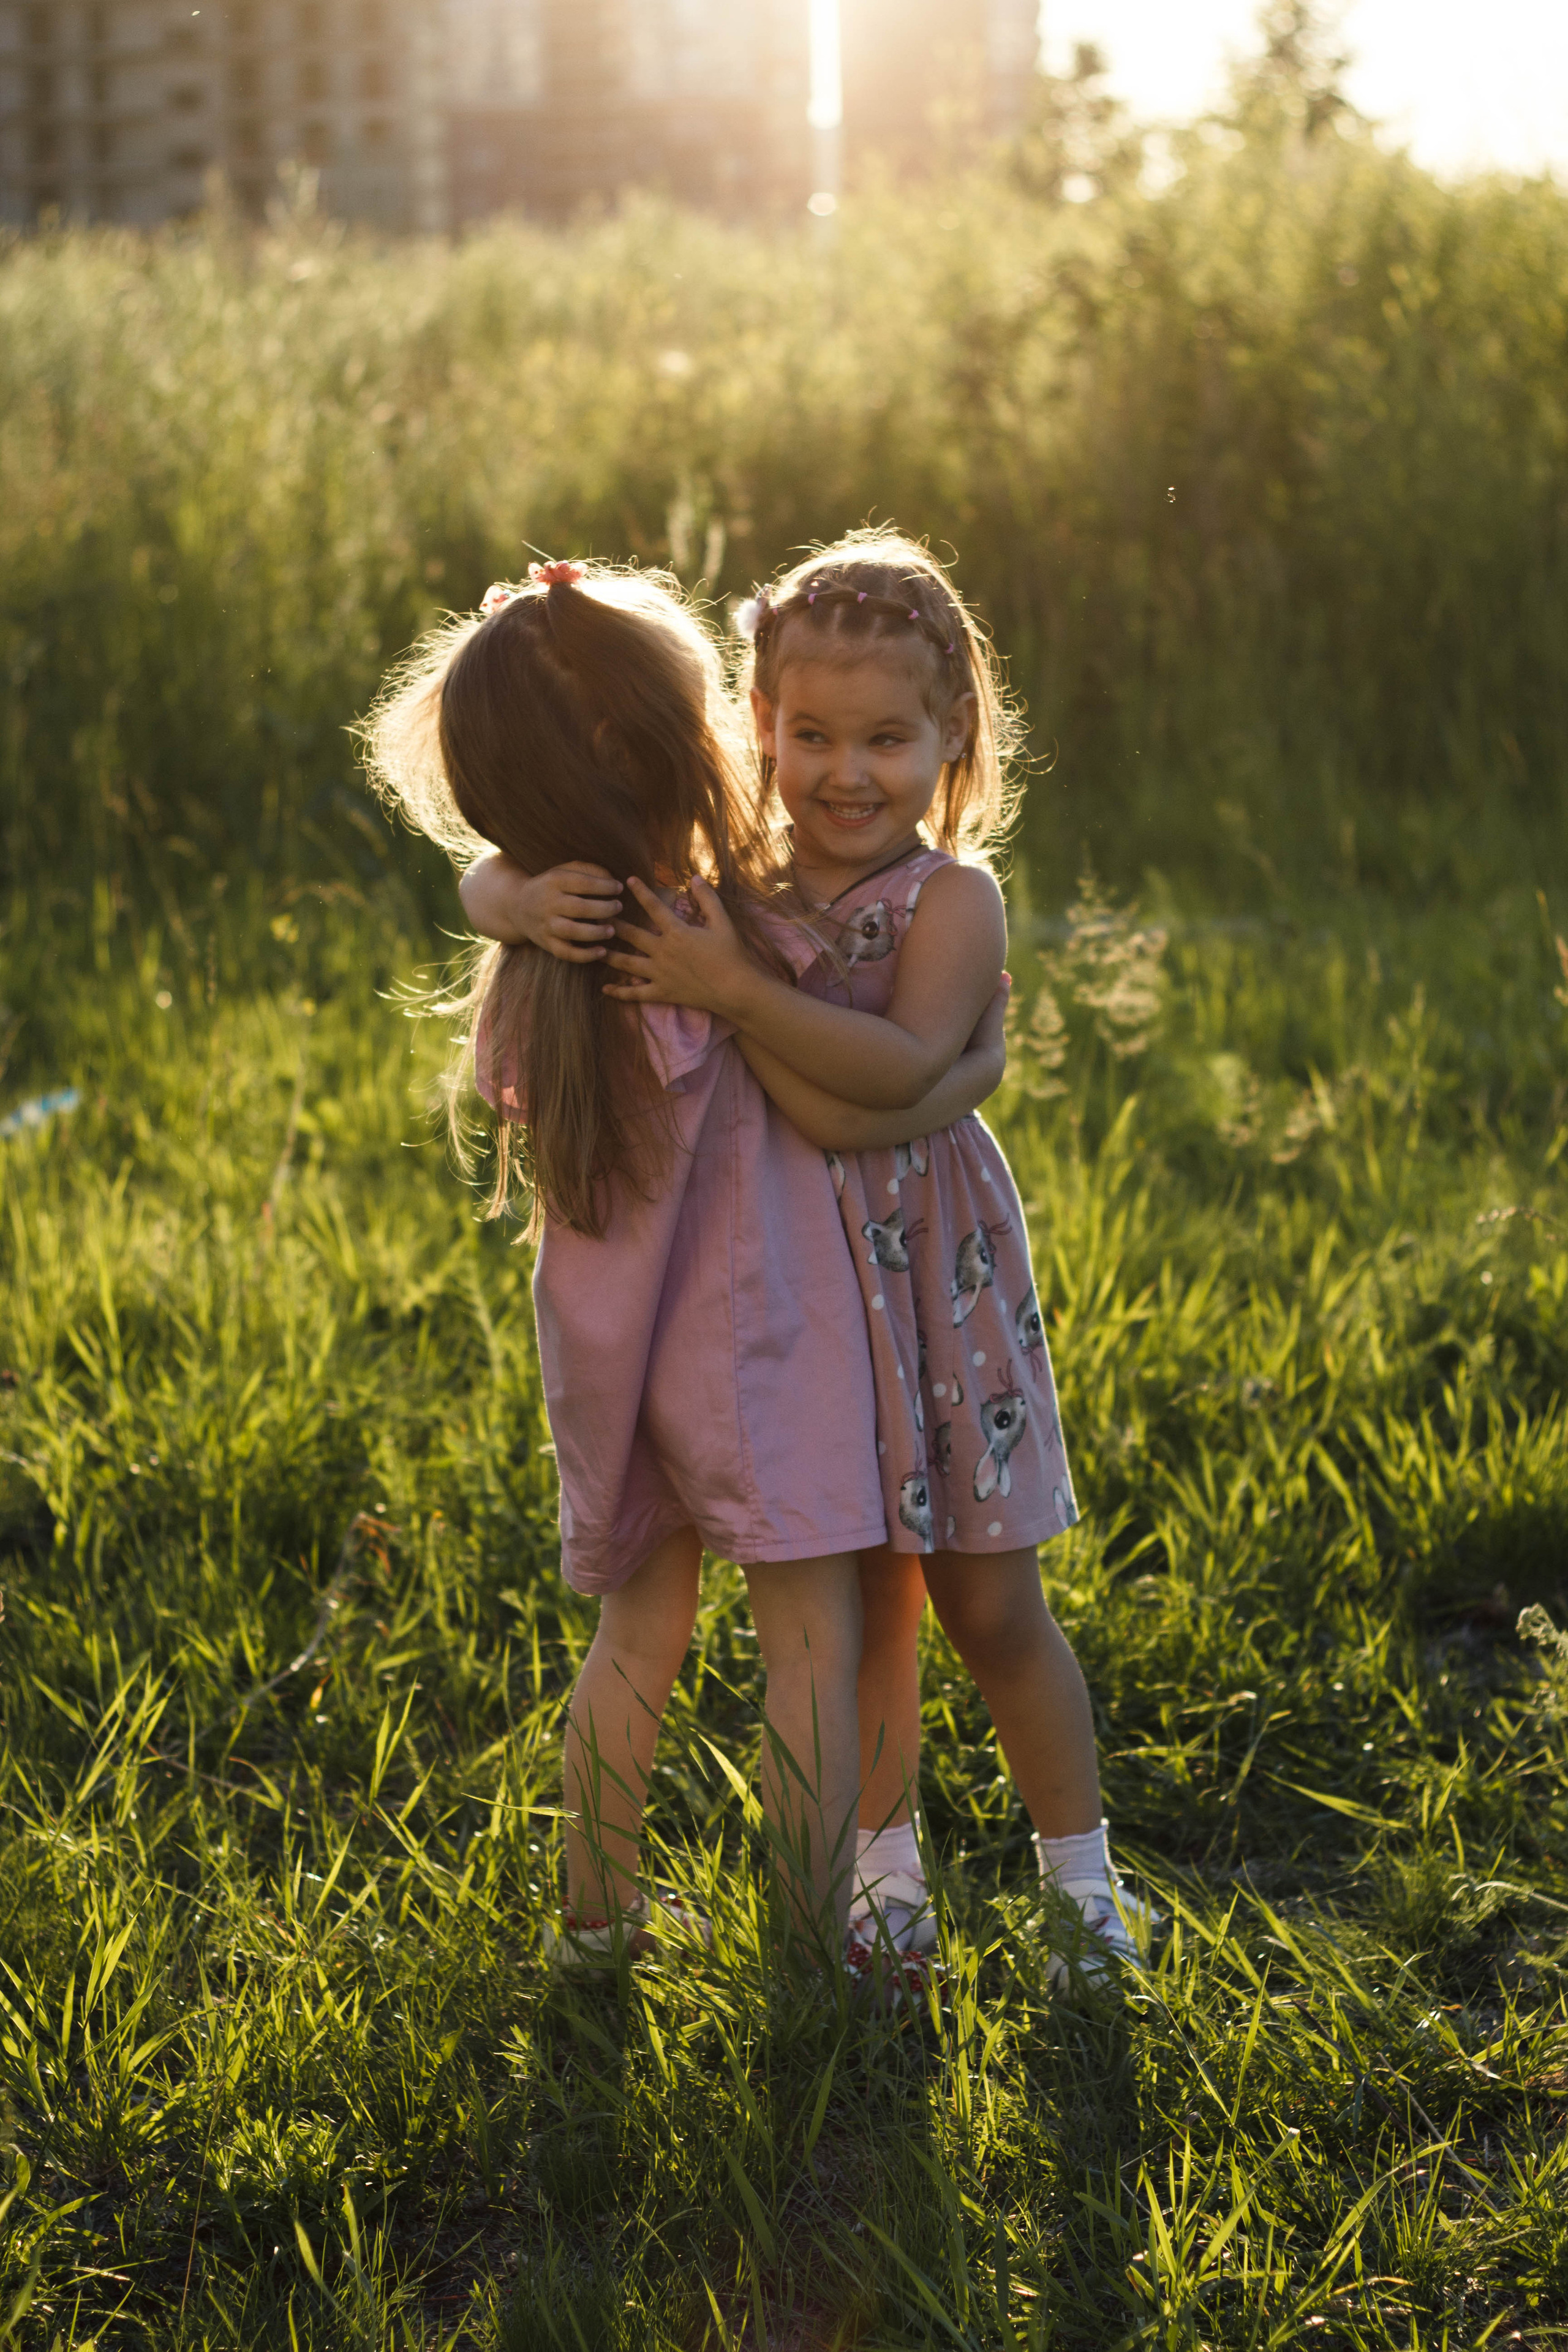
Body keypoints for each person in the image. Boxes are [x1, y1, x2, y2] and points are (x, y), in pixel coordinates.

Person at [361, 560, 1005, 1972]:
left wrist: (503, 892)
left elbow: (484, 870)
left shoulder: (546, 958)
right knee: (810, 1645)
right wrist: (969, 1066)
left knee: (634, 1636)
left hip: (608, 1351)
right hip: (760, 1346)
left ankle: (594, 1928)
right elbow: (855, 1071)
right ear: (654, 748)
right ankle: (805, 1949)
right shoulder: (723, 934)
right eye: (719, 706)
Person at [597, 532, 1142, 1988]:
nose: (846, 771)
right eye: (809, 734)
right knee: (865, 1596)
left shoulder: (952, 901)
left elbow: (867, 1094)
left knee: (986, 1601)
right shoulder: (739, 886)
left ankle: (1081, 1886)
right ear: (757, 729)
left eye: (885, 739)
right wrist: (521, 908)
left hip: (936, 1293)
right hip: (804, 1300)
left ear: (951, 736)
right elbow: (509, 876)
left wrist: (751, 1004)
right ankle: (881, 1877)